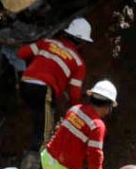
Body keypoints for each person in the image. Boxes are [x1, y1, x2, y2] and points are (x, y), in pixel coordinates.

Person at [12, 16, 91, 145]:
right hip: (43, 91)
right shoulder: (78, 62)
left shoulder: (47, 42)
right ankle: (33, 160)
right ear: (82, 42)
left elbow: (21, 53)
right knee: (45, 133)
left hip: (25, 85)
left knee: (39, 116)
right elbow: (74, 95)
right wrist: (75, 114)